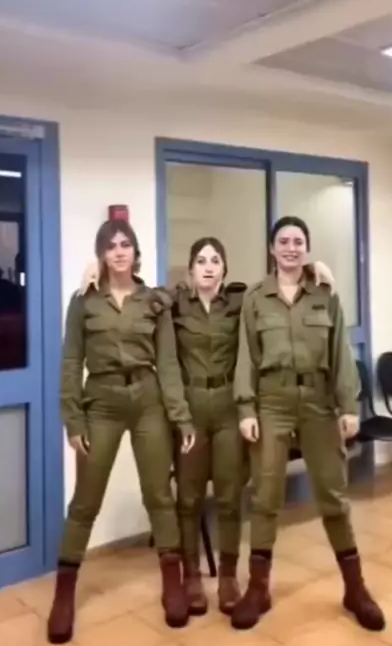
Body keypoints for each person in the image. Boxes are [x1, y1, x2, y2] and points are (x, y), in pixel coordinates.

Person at [78, 242, 336, 618]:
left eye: (216, 261)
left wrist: (313, 268)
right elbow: (138, 295)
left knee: (230, 496)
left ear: (225, 269)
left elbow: (279, 287)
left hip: (229, 409)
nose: (209, 267)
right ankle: (192, 577)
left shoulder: (241, 302)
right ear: (191, 270)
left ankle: (228, 576)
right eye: (201, 261)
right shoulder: (173, 303)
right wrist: (98, 270)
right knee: (188, 498)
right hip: (191, 410)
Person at [231, 215, 385, 633]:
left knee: (333, 494)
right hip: (272, 401)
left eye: (298, 241)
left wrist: (348, 406)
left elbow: (340, 354)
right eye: (283, 241)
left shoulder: (325, 293)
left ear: (307, 248)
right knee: (265, 496)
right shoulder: (255, 299)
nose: (291, 248)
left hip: (319, 402)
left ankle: (355, 589)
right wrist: (246, 409)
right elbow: (246, 355)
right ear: (271, 248)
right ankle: (258, 589)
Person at [47, 219, 196, 645]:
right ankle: (64, 594)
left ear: (135, 251)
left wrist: (181, 416)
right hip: (103, 402)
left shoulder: (154, 301)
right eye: (110, 246)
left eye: (125, 244)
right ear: (101, 254)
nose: (118, 252)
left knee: (159, 495)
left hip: (148, 399)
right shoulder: (84, 302)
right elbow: (71, 363)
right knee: (86, 499)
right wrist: (73, 419)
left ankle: (172, 582)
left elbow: (168, 363)